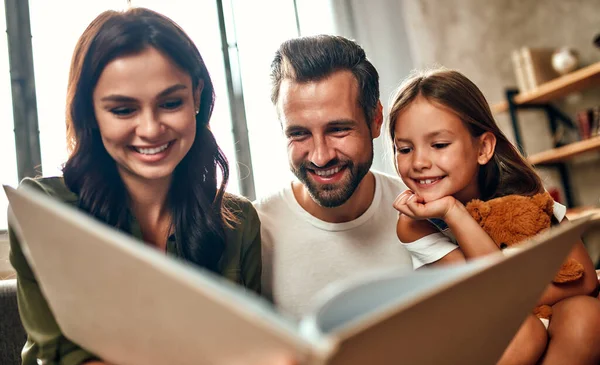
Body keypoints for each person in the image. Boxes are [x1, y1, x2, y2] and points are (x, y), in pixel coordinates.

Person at [7, 7, 286, 365]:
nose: (151, 129)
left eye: (170, 103)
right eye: (123, 110)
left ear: (197, 97)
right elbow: (59, 357)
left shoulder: (240, 222)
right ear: (90, 112)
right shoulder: (42, 209)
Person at [388, 67, 600, 365]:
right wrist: (453, 213)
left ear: (484, 148)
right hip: (482, 336)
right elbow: (491, 295)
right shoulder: (415, 223)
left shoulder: (524, 194)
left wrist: (521, 297)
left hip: (544, 323)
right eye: (405, 149)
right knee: (524, 331)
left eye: (439, 145)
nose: (419, 162)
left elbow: (585, 279)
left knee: (587, 314)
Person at [255, 34, 413, 319]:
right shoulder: (254, 234)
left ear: (376, 120)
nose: (320, 156)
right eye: (299, 133)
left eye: (338, 129)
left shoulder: (427, 211)